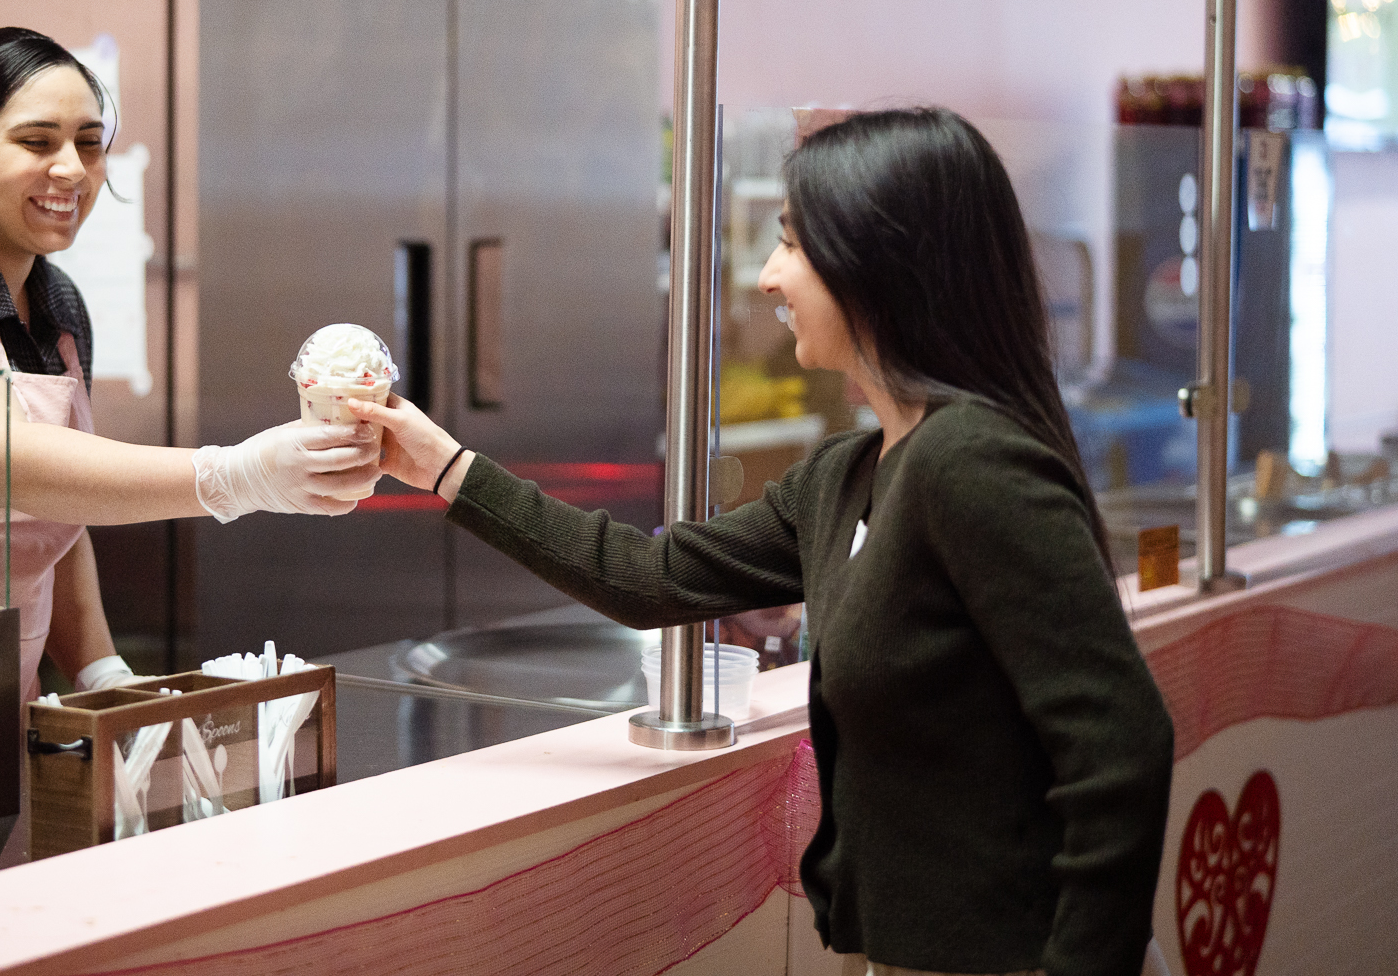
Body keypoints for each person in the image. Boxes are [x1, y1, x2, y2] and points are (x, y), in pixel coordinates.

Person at [353, 108, 1174, 976]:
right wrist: (444, 466)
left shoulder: (971, 461)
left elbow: (1121, 744)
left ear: (876, 262)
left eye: (792, 243)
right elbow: (646, 574)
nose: (769, 276)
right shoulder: (847, 475)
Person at [0, 27, 378, 701]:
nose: (73, 171)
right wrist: (235, 476)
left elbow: (52, 508)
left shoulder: (58, 302)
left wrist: (101, 672)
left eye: (88, 142)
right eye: (37, 141)